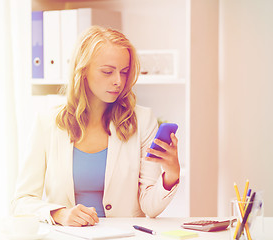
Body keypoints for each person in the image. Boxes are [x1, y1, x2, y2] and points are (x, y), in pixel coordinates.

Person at [11, 25, 180, 227]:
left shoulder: (142, 120)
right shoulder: (47, 122)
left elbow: (149, 207)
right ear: (82, 71)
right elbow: (21, 202)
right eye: (107, 72)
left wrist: (171, 175)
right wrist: (60, 214)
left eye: (124, 72)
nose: (118, 81)